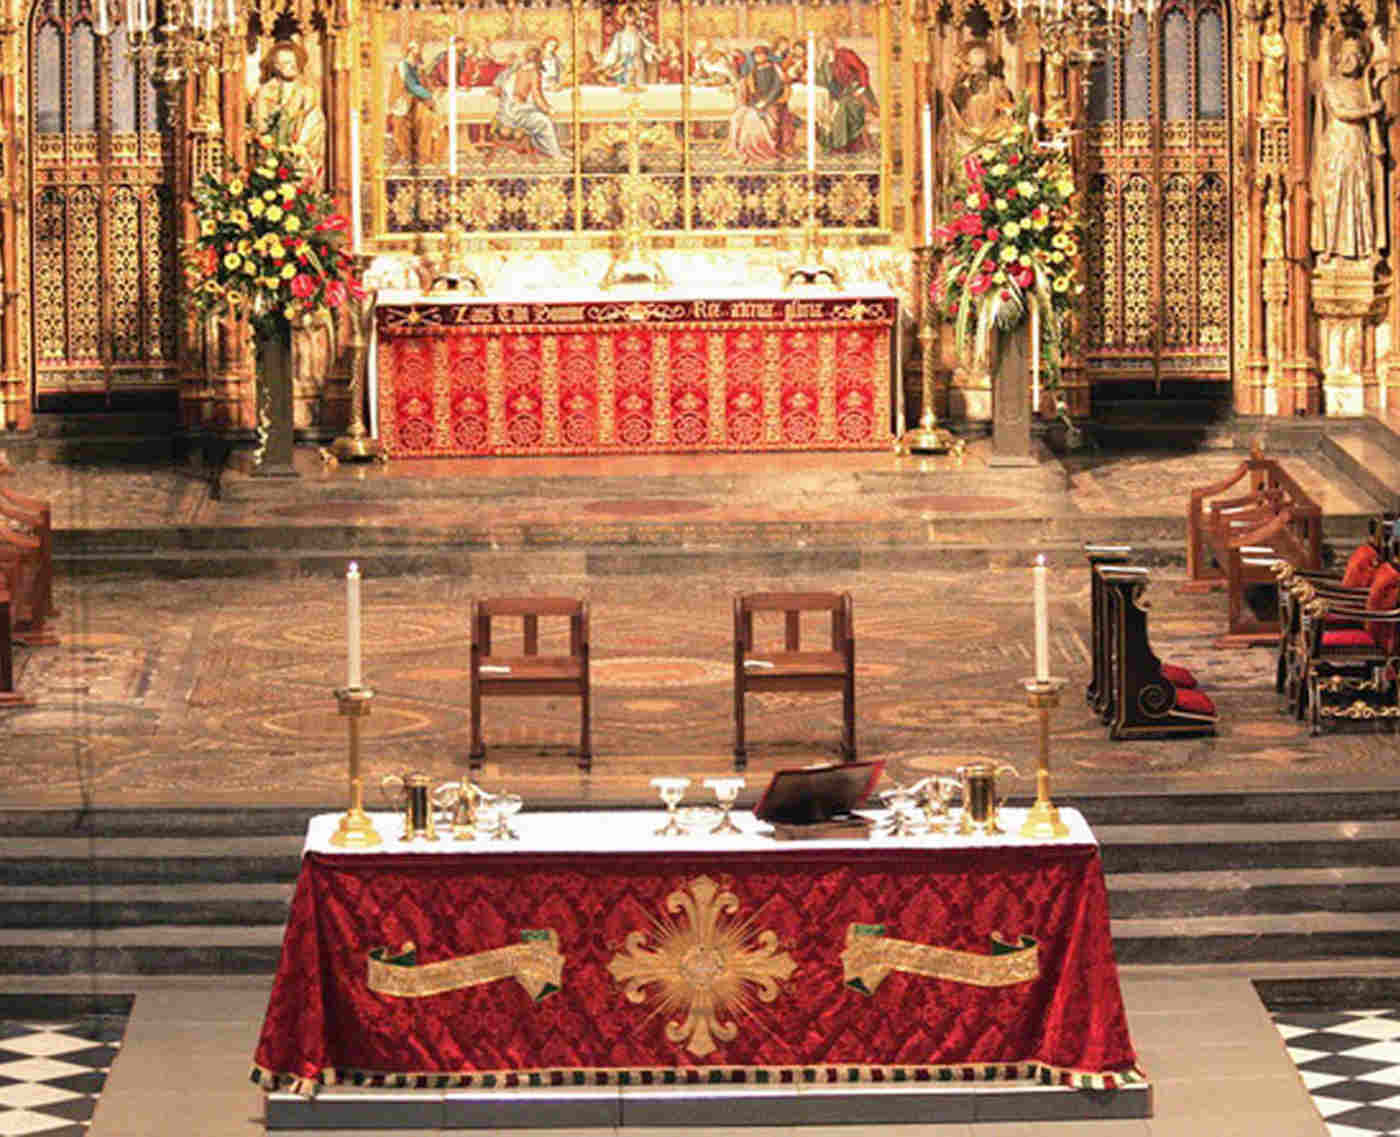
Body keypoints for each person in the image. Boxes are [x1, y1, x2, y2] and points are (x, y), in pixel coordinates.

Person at [1310, 31, 1389, 262]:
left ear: (1361, 59)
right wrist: (1369, 110)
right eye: (1345, 54)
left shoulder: (1363, 86)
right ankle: (1331, 248)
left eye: (1354, 55)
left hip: (1358, 145)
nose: (1349, 59)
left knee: (1361, 193)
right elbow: (1339, 111)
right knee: (1336, 193)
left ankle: (1364, 248)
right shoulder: (1330, 85)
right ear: (1336, 57)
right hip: (1336, 145)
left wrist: (1375, 107)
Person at [251, 40, 326, 175]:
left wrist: (300, 143)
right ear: (276, 66)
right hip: (272, 155)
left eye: (293, 62)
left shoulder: (307, 91)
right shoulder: (266, 91)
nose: (291, 66)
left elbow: (315, 121)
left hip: (300, 151)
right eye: (285, 63)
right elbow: (260, 123)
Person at [727, 44, 796, 163]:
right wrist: (755, 102)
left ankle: (763, 150)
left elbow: (777, 87)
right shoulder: (754, 70)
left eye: (761, 55)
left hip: (773, 103)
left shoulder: (775, 68)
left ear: (766, 55)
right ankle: (747, 151)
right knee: (739, 118)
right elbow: (752, 90)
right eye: (756, 55)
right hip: (757, 103)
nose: (758, 58)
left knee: (754, 120)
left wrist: (765, 102)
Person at [492, 46, 564, 157]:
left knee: (537, 114)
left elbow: (499, 89)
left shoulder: (516, 69)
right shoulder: (533, 72)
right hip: (516, 113)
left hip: (505, 111)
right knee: (545, 122)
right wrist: (548, 109)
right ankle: (554, 154)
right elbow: (537, 96)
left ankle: (536, 149)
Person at [816, 35, 877, 153]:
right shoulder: (824, 62)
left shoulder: (845, 55)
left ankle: (839, 146)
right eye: (820, 46)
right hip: (838, 95)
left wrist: (862, 87)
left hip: (856, 92)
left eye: (823, 45)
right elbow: (822, 81)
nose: (822, 49)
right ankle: (829, 144)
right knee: (825, 110)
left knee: (842, 110)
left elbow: (862, 69)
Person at [389, 40, 443, 167]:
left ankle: (425, 155)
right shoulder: (402, 67)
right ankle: (409, 154)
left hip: (419, 102)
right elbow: (410, 85)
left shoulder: (419, 68)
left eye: (418, 50)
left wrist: (434, 90)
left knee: (428, 119)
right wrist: (427, 96)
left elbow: (426, 84)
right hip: (405, 101)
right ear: (409, 51)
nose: (416, 52)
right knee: (403, 124)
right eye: (414, 50)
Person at [599, 5, 656, 90]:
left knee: (639, 92)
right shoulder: (619, 36)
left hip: (637, 67)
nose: (630, 17)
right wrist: (605, 65)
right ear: (623, 17)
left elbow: (649, 48)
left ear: (635, 17)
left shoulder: (640, 34)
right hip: (623, 67)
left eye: (632, 14)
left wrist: (651, 54)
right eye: (627, 14)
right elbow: (613, 52)